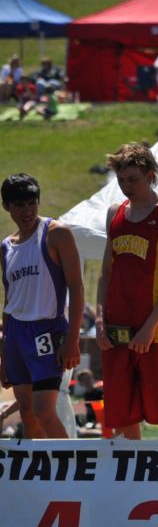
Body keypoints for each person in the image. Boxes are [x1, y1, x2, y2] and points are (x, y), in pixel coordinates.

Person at [95, 143, 158, 439]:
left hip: (154, 332)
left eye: (133, 179)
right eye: (121, 180)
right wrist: (99, 321)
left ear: (151, 175)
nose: (126, 187)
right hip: (116, 329)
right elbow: (106, 271)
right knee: (123, 417)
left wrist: (149, 328)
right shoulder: (115, 213)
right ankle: (132, 485)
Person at [0, 173, 83, 438]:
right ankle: (40, 471)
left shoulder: (56, 233)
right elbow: (9, 301)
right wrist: (4, 356)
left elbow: (77, 287)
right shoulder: (5, 248)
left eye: (31, 203)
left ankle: (72, 469)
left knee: (44, 411)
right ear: (7, 207)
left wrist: (72, 340)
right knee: (26, 413)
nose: (27, 211)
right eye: (19, 205)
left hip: (47, 330)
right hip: (15, 335)